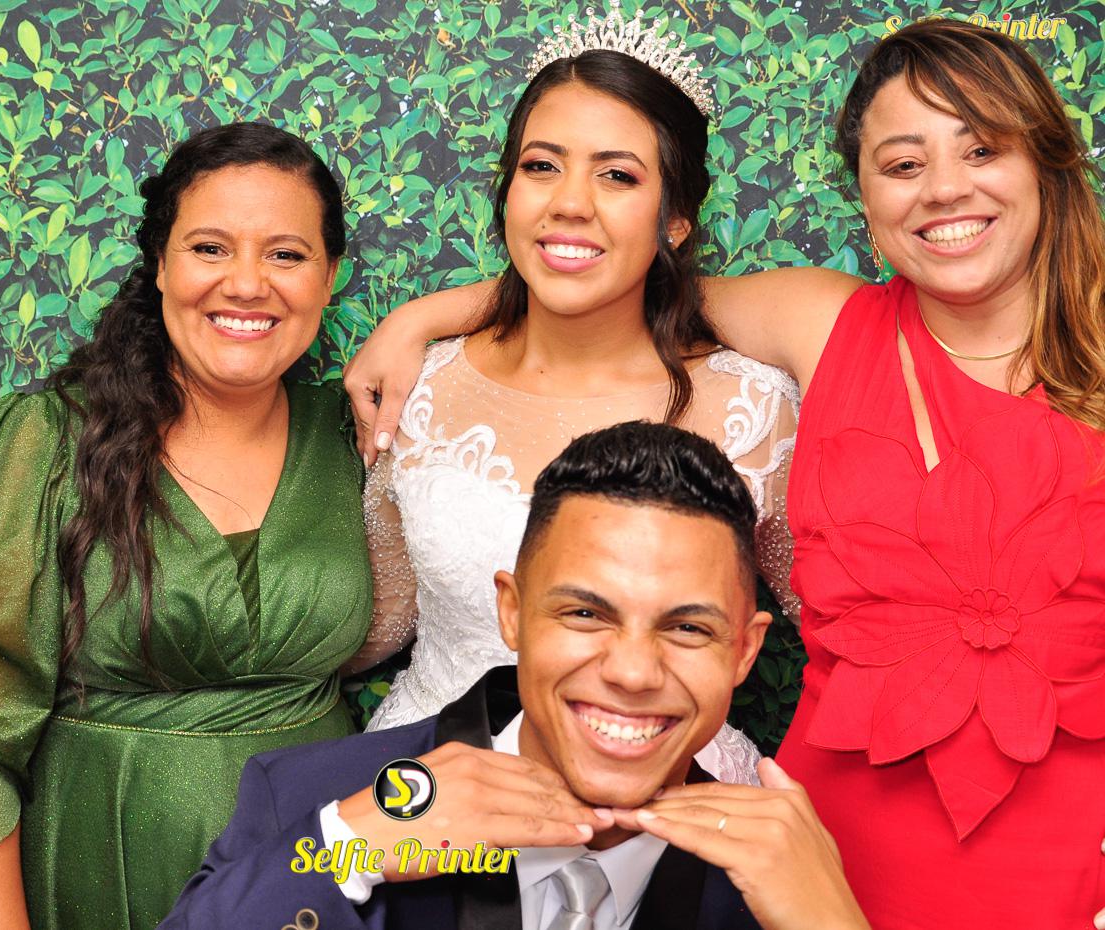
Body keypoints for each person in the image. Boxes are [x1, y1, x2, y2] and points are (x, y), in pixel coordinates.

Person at [346, 19, 1105, 930]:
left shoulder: (789, 362)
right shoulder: (823, 321)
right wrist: (423, 321)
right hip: (817, 846)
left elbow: (622, 259)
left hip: (1061, 850)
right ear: (865, 197)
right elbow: (610, 276)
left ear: (1048, 161)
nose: (944, 188)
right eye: (904, 164)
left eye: (981, 149)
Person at [0, 123, 372, 930]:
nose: (247, 283)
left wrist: (424, 320)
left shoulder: (356, 436)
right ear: (159, 263)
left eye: (287, 255)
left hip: (323, 880)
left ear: (330, 277)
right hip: (107, 875)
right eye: (210, 248)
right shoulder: (47, 440)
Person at [165, 421, 869, 930]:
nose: (632, 672)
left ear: (743, 651)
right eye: (586, 614)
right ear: (513, 613)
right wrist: (351, 848)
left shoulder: (778, 885)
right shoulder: (314, 799)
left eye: (687, 628)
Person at [346, 8, 798, 794]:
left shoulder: (754, 409)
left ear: (675, 221)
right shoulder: (420, 387)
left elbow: (849, 629)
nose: (569, 203)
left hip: (668, 802)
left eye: (617, 175)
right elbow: (376, 622)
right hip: (431, 789)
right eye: (541, 166)